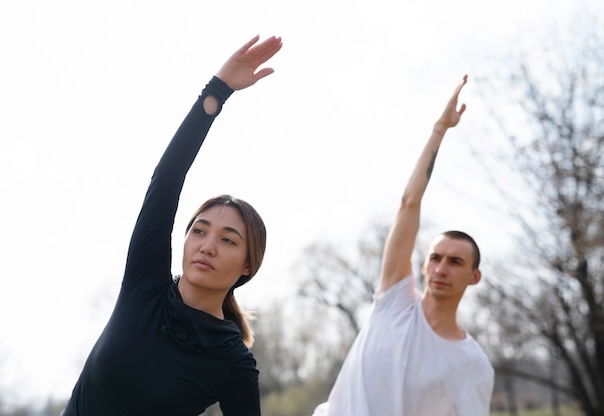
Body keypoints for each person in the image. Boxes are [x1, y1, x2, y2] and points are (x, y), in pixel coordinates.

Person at [62, 34, 283, 416]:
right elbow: (166, 180)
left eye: (228, 240)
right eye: (199, 231)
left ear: (249, 265)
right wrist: (217, 92)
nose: (207, 245)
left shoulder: (232, 361)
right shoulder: (145, 285)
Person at [312, 75, 494, 416]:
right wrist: (439, 129)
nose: (441, 268)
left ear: (474, 276)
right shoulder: (393, 304)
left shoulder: (473, 365)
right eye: (436, 258)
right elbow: (409, 202)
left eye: (455, 262)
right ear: (423, 265)